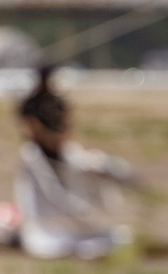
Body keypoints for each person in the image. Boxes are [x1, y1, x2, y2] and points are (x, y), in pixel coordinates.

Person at [13, 68, 138, 260]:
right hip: (41, 154)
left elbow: (66, 122)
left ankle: (78, 223)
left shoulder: (56, 101)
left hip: (59, 153)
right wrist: (46, 139)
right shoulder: (31, 103)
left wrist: (59, 141)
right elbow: (29, 127)